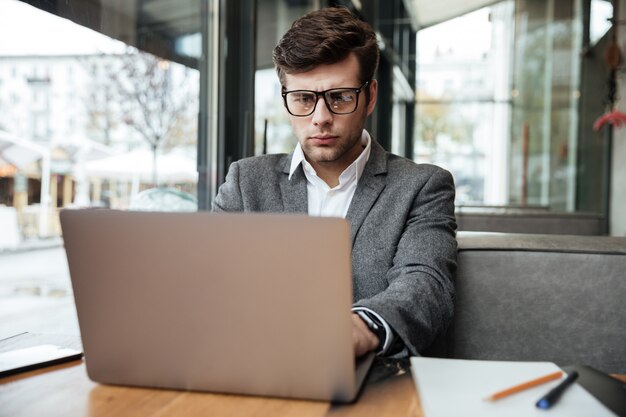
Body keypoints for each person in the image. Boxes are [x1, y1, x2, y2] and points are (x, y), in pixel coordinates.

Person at [213, 7, 457, 358]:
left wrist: (360, 329)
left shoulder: (422, 186)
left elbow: (425, 284)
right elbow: (212, 282)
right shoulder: (245, 182)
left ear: (369, 96)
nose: (321, 118)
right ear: (286, 98)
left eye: (340, 97)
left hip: (372, 377)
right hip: (256, 367)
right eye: (303, 99)